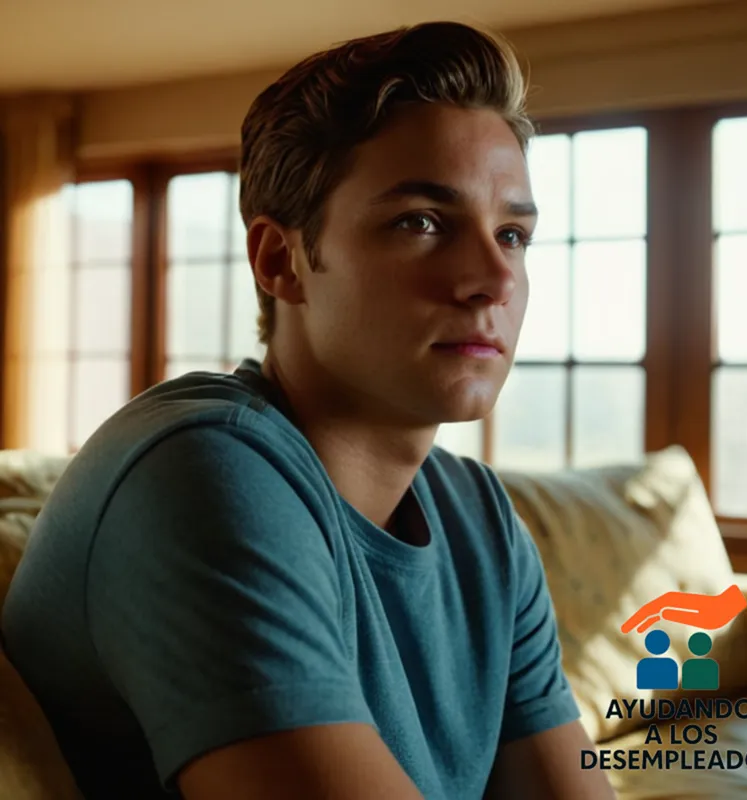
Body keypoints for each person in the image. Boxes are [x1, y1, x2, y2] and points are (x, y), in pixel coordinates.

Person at [2, 21, 616, 800]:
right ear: (280, 260)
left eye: (513, 234)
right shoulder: (201, 468)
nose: (493, 278)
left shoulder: (482, 523)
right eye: (421, 222)